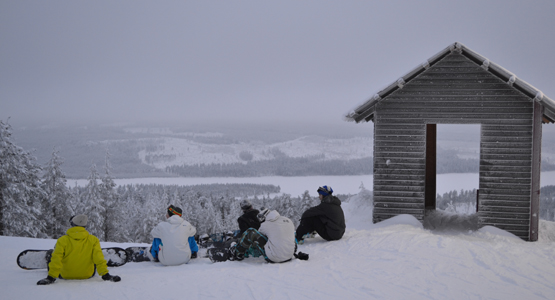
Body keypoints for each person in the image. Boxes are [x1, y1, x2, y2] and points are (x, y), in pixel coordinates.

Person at [36, 214, 121, 285]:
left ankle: (49, 261)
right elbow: (98, 258)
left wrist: (50, 277)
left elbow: (56, 259)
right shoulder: (93, 240)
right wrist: (105, 275)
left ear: (72, 224)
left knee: (53, 254)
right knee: (94, 255)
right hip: (87, 275)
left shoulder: (62, 240)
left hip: (65, 275)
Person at [231, 208, 296, 263]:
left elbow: (258, 238)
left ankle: (238, 253)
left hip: (274, 258)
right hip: (290, 255)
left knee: (250, 232)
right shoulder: (287, 220)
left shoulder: (265, 225)